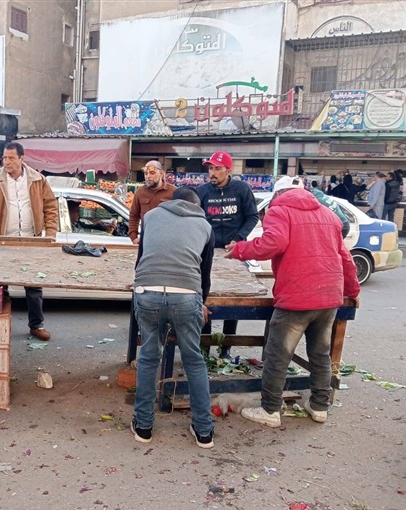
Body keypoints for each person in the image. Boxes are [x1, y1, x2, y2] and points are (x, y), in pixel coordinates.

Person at [224, 175, 360, 428]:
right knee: (320, 354)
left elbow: (273, 243)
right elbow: (345, 257)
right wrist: (352, 291)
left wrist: (240, 249)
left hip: (297, 296)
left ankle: (270, 410)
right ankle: (319, 407)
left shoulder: (279, 211)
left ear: (277, 195)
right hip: (329, 296)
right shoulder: (328, 215)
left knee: (278, 356)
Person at [131, 187, 215, 448]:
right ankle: (204, 431)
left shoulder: (150, 217)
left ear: (171, 202)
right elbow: (204, 273)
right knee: (193, 361)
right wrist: (201, 303)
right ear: (196, 206)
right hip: (186, 296)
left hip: (147, 291)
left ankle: (143, 427)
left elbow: (141, 259)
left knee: (148, 357)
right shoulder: (205, 226)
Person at [0, 142, 58, 341]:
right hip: (2, 240)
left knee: (33, 286)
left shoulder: (38, 180)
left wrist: (50, 234)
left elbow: (51, 207)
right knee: (0, 285)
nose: (6, 162)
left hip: (30, 240)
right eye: (4, 158)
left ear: (22, 159)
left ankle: (36, 325)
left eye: (11, 158)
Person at [196, 151, 258, 358]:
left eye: (217, 168)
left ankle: (226, 347)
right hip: (208, 252)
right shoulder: (202, 192)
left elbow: (252, 217)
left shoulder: (242, 189)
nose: (212, 173)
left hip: (234, 252)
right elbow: (195, 219)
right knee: (207, 297)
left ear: (228, 171)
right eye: (210, 168)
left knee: (234, 298)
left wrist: (238, 239)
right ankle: (205, 346)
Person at [128, 160, 176, 244]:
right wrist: (133, 237)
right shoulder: (140, 192)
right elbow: (134, 215)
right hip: (146, 239)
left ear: (162, 174)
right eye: (146, 174)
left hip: (167, 240)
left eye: (152, 173)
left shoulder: (173, 192)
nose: (148, 176)